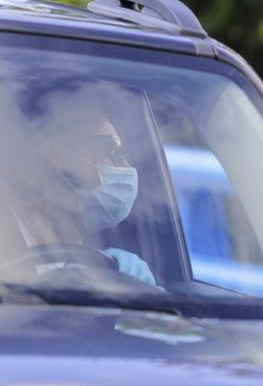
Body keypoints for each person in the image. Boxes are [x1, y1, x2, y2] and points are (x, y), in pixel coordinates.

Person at [0, 107, 156, 285]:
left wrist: (150, 299)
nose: (127, 166)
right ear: (55, 154)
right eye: (113, 149)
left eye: (124, 153)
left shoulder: (108, 267)